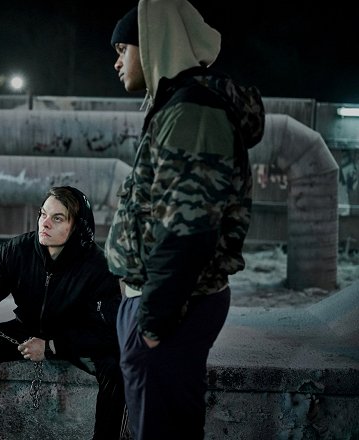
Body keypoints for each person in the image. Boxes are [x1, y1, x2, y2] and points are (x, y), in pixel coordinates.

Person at [105, 1, 265, 439]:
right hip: (164, 303)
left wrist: (152, 324)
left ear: (153, 43)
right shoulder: (178, 105)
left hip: (170, 308)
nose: (117, 61)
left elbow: (188, 229)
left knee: (161, 429)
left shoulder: (192, 111)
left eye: (123, 48)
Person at [0, 186, 128, 440]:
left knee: (116, 366)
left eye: (57, 218)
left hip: (74, 337)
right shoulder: (19, 250)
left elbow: (108, 332)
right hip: (26, 327)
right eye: (43, 214)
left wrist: (52, 346)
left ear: (77, 227)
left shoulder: (98, 266)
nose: (45, 223)